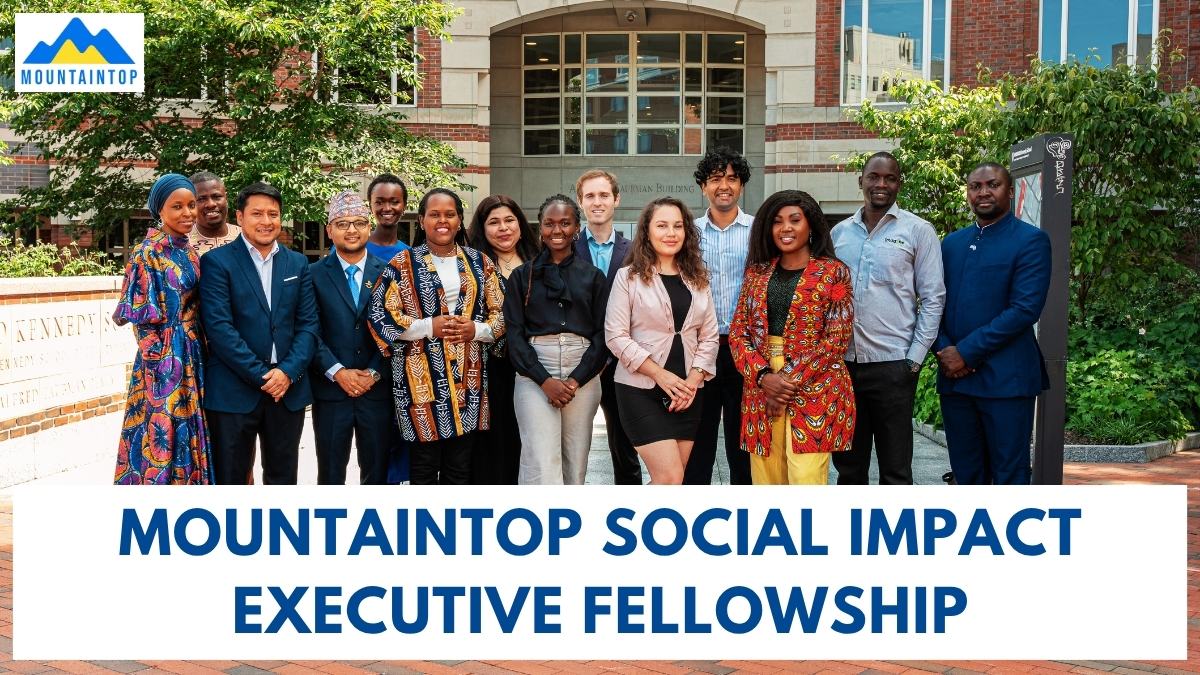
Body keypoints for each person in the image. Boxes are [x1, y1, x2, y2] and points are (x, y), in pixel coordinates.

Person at [367, 187, 505, 485]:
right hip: (420, 386)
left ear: (459, 221)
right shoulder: (401, 265)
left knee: (460, 468)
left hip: (469, 382)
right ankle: (425, 529)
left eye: (450, 214)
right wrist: (430, 326)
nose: (442, 221)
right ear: (422, 220)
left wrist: (477, 330)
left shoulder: (480, 263)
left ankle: (453, 529)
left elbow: (503, 313)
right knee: (423, 468)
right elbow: (380, 315)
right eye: (434, 214)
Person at [831, 151, 945, 485]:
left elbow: (934, 297)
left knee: (895, 469)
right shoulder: (838, 234)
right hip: (844, 367)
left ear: (899, 183)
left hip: (894, 366)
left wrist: (914, 359)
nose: (881, 184)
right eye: (874, 177)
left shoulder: (918, 231)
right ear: (861, 181)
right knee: (848, 467)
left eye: (890, 178)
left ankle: (892, 534)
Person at [935, 162, 1051, 485]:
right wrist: (944, 349)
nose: (983, 192)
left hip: (1006, 381)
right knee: (966, 474)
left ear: (1010, 191)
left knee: (1008, 477)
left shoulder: (1031, 241)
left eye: (993, 185)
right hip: (955, 383)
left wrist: (966, 353)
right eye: (975, 186)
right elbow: (934, 304)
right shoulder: (951, 244)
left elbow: (1024, 309)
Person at [729, 190, 856, 485]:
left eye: (794, 220)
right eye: (777, 221)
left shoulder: (833, 272)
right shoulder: (756, 274)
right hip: (760, 380)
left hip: (815, 381)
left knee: (806, 477)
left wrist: (783, 383)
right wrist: (764, 378)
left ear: (810, 225)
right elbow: (739, 333)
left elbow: (836, 339)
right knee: (767, 478)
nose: (785, 228)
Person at [199, 181, 318, 485]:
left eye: (273, 214)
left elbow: (308, 326)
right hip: (234, 391)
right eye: (257, 214)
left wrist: (286, 373)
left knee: (283, 479)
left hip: (286, 392)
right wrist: (263, 376)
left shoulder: (298, 263)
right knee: (231, 481)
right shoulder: (216, 262)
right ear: (239, 217)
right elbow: (219, 328)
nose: (266, 222)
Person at [605, 196, 719, 485]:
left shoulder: (699, 279)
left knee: (672, 481)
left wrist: (691, 383)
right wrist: (661, 375)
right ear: (647, 231)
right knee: (669, 477)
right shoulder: (627, 278)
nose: (671, 233)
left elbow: (709, 336)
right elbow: (616, 336)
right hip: (640, 390)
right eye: (662, 225)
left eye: (678, 226)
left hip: (688, 393)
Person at [113, 173, 213, 485]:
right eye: (177, 207)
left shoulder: (187, 249)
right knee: (163, 431)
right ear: (160, 211)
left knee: (190, 428)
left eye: (191, 205)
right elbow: (142, 320)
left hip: (193, 351)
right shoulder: (148, 253)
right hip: (165, 360)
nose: (188, 213)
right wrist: (160, 367)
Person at [504, 194, 608, 485]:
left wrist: (575, 380)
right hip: (534, 369)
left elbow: (603, 335)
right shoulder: (521, 277)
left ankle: (569, 525)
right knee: (540, 458)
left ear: (577, 227)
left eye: (565, 223)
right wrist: (544, 380)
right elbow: (515, 335)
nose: (557, 230)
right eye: (549, 223)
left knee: (575, 462)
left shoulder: (594, 277)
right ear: (540, 228)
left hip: (583, 370)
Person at [308, 191, 394, 485]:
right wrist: (338, 372)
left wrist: (373, 372)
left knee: (377, 474)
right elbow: (309, 330)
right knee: (330, 475)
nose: (352, 230)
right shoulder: (313, 274)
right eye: (342, 224)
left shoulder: (389, 274)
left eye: (359, 222)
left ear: (369, 227)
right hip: (331, 391)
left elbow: (396, 331)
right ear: (329, 230)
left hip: (377, 390)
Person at [687, 146, 754, 486]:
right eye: (715, 179)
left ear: (741, 185)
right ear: (704, 187)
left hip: (746, 347)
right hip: (702, 348)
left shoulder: (758, 231)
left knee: (744, 441)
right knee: (699, 439)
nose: (723, 185)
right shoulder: (689, 234)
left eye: (731, 178)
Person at [466, 194, 540, 484]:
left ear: (520, 224)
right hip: (489, 371)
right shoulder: (472, 266)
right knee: (494, 443)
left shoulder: (539, 262)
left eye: (509, 220)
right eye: (494, 222)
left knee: (531, 442)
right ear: (482, 229)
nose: (503, 228)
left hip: (535, 368)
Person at [573, 169, 639, 484]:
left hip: (623, 364)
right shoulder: (566, 249)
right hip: (578, 362)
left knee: (625, 449)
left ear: (616, 200)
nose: (597, 202)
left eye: (603, 195)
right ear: (580, 202)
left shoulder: (637, 252)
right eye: (590, 196)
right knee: (571, 448)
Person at [187, 172, 241, 256]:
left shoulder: (247, 237)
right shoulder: (182, 244)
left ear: (226, 198)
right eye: (201, 199)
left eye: (216, 197)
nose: (211, 204)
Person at [366, 173, 411, 261]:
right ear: (370, 207)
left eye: (394, 202)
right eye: (379, 202)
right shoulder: (353, 248)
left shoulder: (409, 255)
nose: (387, 208)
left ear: (404, 207)